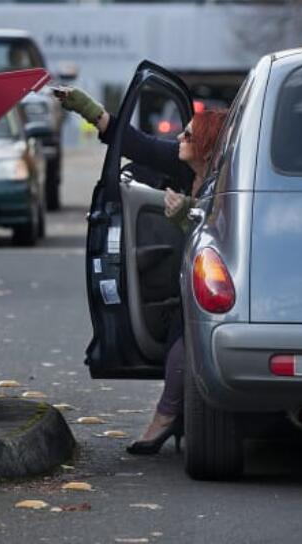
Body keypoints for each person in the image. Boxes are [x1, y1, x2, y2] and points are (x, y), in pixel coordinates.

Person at [57, 86, 229, 455]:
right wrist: (85, 107)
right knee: (172, 323)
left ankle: (166, 416)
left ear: (207, 144)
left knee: (185, 329)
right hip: (189, 278)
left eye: (188, 134)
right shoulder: (183, 163)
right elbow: (135, 143)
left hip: (222, 284)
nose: (179, 137)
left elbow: (225, 239)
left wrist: (188, 214)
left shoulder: (229, 182)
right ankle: (181, 411)